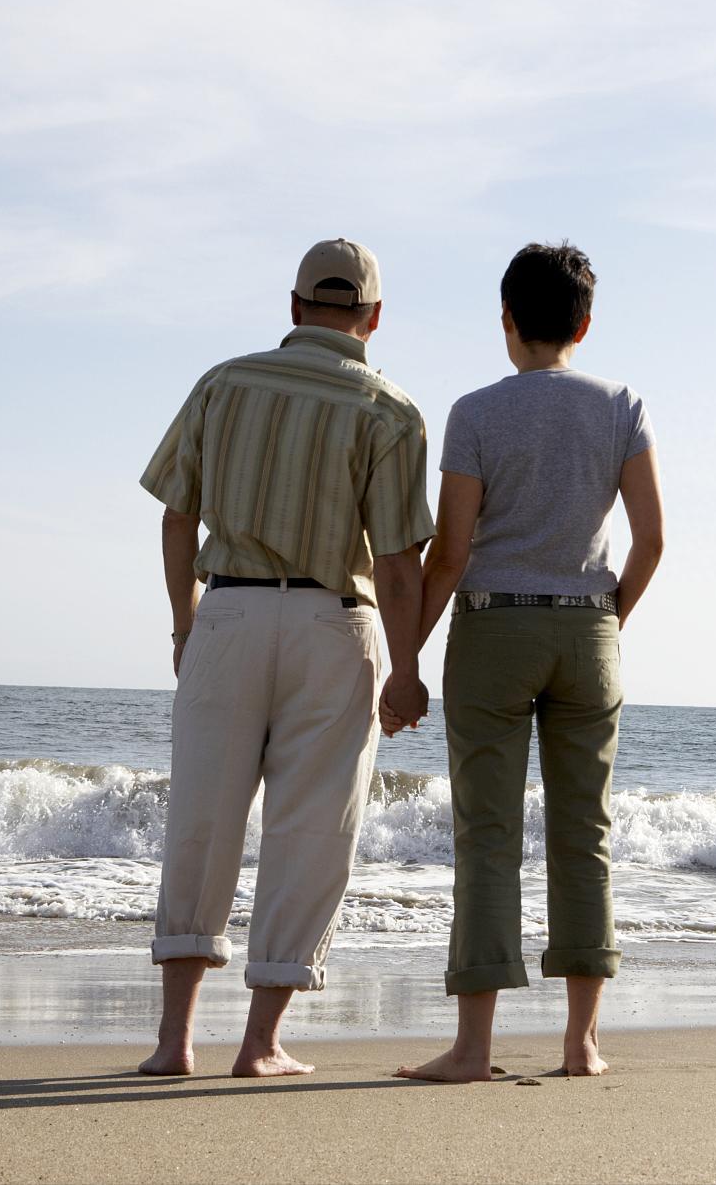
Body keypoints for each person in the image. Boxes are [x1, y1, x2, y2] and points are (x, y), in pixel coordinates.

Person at [135, 238, 434, 1078]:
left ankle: (173, 1040)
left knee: (201, 819)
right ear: (372, 318)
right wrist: (407, 669)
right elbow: (402, 560)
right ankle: (260, 1042)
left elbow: (173, 517)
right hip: (334, 619)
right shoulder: (390, 408)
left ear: (296, 306)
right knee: (310, 829)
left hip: (225, 607)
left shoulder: (223, 382)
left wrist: (184, 625)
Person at [394, 241, 664, 1082]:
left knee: (487, 836)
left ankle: (474, 1048)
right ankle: (580, 1043)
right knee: (585, 834)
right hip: (589, 630)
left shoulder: (476, 412)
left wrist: (406, 659)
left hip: (493, 630)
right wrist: (605, 619)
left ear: (507, 322)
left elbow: (449, 553)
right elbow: (652, 541)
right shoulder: (621, 402)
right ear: (584, 323)